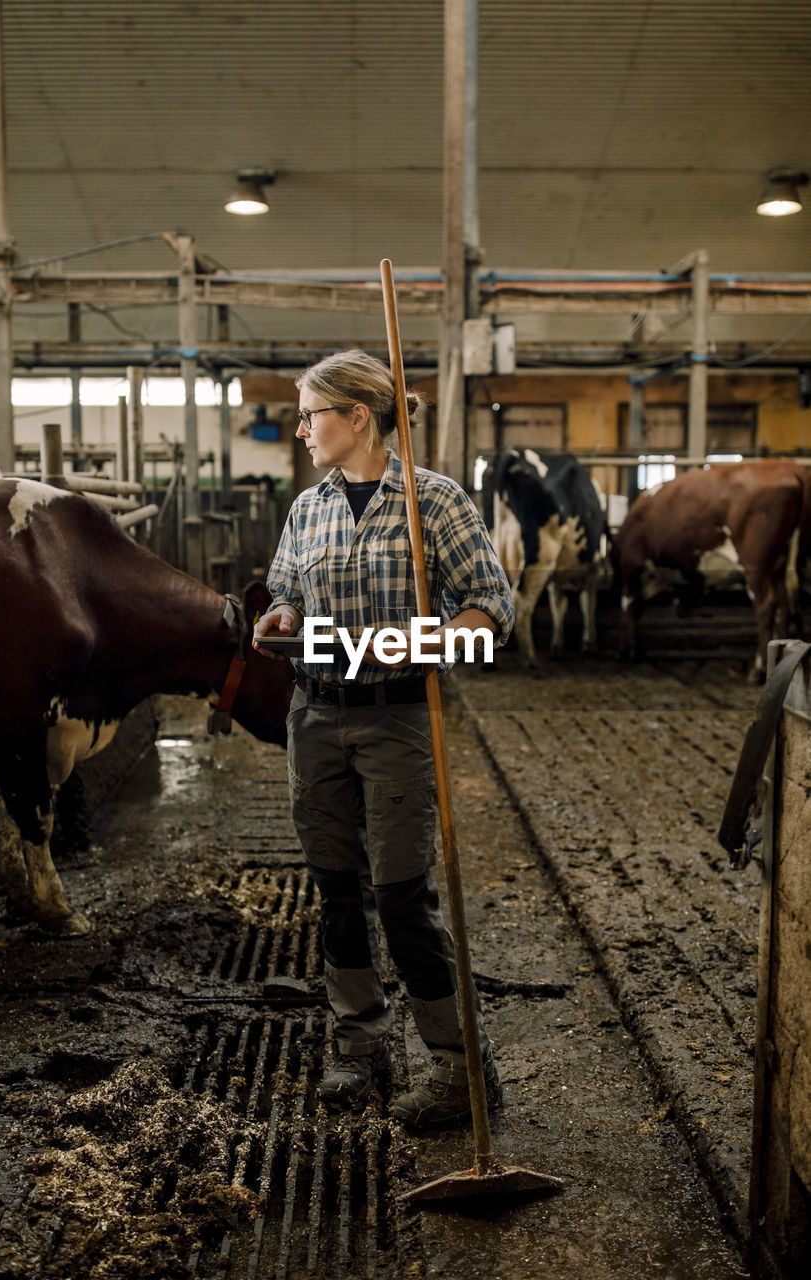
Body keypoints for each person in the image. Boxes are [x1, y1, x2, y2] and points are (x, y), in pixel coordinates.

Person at [253, 349, 514, 1129]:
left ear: (357, 416)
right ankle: (358, 1046)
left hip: (396, 716)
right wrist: (281, 618)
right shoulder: (308, 509)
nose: (300, 429)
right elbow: (283, 590)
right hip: (314, 713)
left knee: (403, 899)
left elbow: (492, 616)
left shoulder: (433, 501)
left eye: (311, 414)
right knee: (335, 891)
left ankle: (460, 1070)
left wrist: (421, 644)